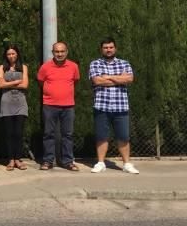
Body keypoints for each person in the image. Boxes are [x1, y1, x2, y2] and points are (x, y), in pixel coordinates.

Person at [89, 38, 139, 174]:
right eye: (105, 47)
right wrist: (118, 78)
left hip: (121, 106)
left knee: (123, 137)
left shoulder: (124, 63)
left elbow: (129, 79)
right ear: (101, 49)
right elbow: (96, 80)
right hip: (101, 106)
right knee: (101, 136)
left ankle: (127, 164)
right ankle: (100, 163)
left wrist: (107, 77)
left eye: (111, 47)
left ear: (115, 48)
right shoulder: (95, 64)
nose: (108, 50)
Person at [37, 41, 80, 171]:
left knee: (68, 134)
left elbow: (75, 81)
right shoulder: (45, 67)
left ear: (66, 52)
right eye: (57, 51)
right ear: (53, 53)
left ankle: (68, 161)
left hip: (68, 106)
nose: (59, 54)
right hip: (50, 105)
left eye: (62, 51)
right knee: (48, 134)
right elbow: (40, 81)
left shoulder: (73, 66)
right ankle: (48, 161)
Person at [0, 44, 29, 171]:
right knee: (9, 133)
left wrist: (7, 84)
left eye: (13, 53)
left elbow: (25, 85)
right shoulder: (2, 68)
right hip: (6, 103)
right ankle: (10, 160)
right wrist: (16, 82)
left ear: (17, 54)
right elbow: (0, 85)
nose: (11, 56)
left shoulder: (23, 67)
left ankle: (18, 159)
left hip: (20, 103)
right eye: (9, 54)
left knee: (18, 133)